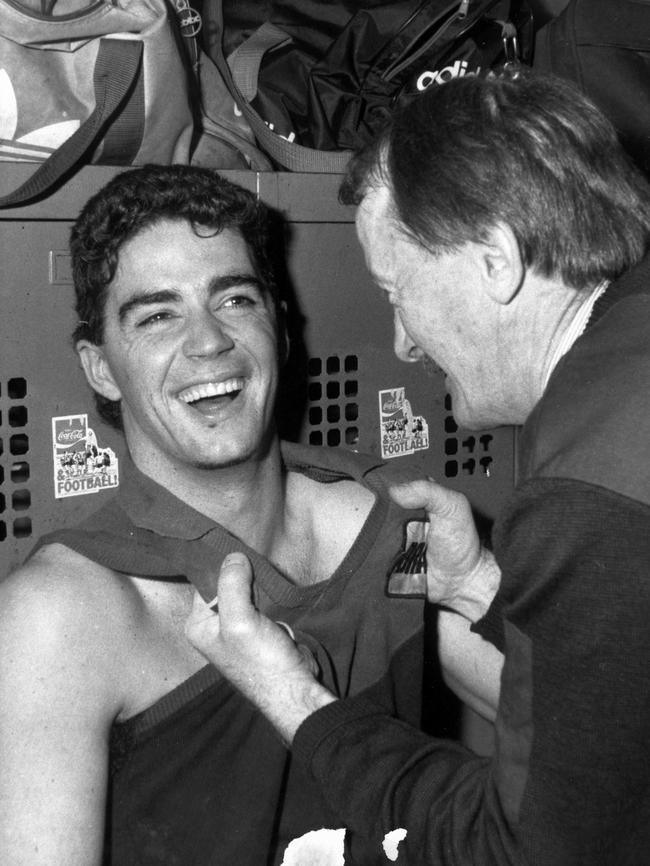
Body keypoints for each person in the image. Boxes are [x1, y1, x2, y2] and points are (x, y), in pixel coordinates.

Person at [185, 69, 650, 865]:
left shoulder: (583, 494)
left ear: (495, 260)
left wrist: (294, 700)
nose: (400, 342)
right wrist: (476, 587)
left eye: (399, 293)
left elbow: (519, 850)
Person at [0, 164, 502, 866]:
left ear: (280, 330)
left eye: (234, 299)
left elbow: (573, 725)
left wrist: (481, 583)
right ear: (101, 368)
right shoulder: (60, 616)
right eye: (157, 315)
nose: (208, 341)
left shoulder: (390, 523)